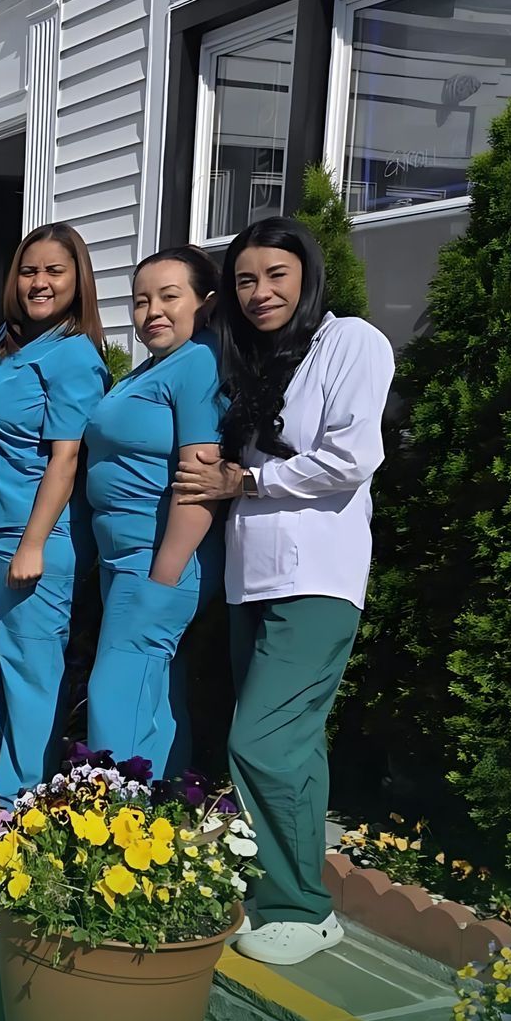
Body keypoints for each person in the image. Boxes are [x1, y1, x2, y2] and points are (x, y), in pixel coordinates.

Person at [174, 217, 392, 967]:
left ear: (307, 277)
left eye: (275, 275)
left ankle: (305, 904)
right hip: (252, 577)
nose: (260, 291)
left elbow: (352, 455)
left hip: (317, 575)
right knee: (289, 746)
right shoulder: (258, 361)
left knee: (259, 740)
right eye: (244, 279)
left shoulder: (350, 342)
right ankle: (284, 897)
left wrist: (250, 481)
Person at [0, 224, 110, 837]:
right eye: (29, 270)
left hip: (33, 538)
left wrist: (35, 543)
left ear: (78, 280)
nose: (39, 282)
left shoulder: (75, 357)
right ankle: (37, 770)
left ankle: (23, 803)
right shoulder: (3, 341)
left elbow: (66, 458)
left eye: (54, 272)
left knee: (29, 673)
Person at [79, 247, 224, 776]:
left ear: (204, 304)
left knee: (114, 691)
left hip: (160, 558)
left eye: (169, 297)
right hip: (126, 559)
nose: (152, 312)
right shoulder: (159, 366)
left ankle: (109, 829)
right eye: (141, 301)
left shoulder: (199, 364)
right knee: (150, 690)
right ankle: (161, 818)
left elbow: (201, 478)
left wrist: (164, 574)